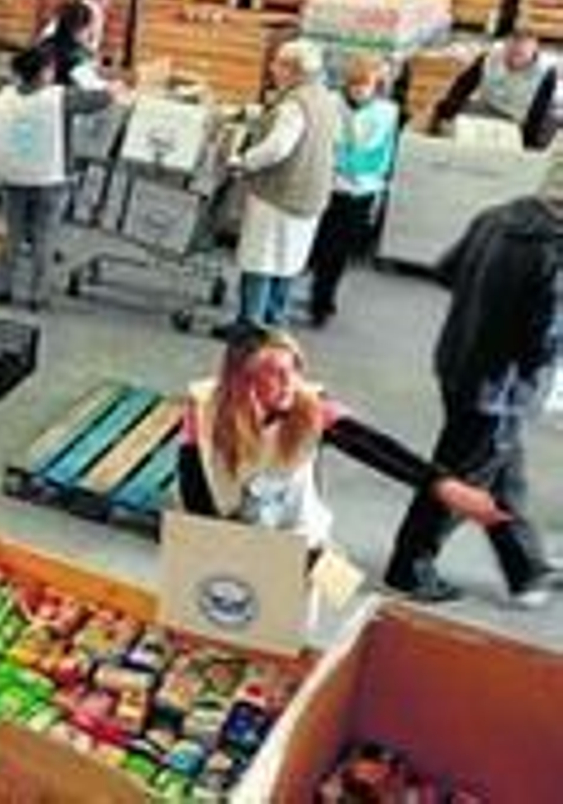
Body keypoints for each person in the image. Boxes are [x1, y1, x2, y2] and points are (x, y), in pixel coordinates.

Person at [383, 151, 563, 608]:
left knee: (501, 470)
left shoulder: (497, 215)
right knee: (459, 480)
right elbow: (543, 340)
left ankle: (527, 568)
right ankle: (409, 564)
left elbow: (447, 271)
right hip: (501, 389)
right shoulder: (555, 250)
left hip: (460, 361)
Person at [177, 326, 504, 553]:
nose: (291, 382)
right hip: (230, 534)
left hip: (299, 538)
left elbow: (372, 445)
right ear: (244, 382)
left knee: (311, 611)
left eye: (295, 369)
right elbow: (195, 483)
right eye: (275, 373)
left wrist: (444, 486)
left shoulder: (310, 405)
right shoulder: (204, 408)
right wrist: (221, 546)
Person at [0, 30, 126, 310]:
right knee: (44, 235)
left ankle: (3, 288)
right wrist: (115, 88)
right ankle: (37, 296)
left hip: (12, 175)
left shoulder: (4, 95)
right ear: (44, 73)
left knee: (12, 233)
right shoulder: (58, 97)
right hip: (49, 177)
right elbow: (99, 100)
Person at [222, 40, 340, 332]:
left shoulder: (294, 104)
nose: (272, 69)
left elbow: (277, 148)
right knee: (288, 261)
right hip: (311, 193)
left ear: (293, 69)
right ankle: (274, 321)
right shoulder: (324, 98)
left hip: (279, 193)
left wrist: (242, 161)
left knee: (260, 259)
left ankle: (250, 325)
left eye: (277, 63)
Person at [307, 56, 400, 328]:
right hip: (329, 185)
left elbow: (380, 157)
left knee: (339, 251)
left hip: (361, 190)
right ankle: (320, 296)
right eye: (354, 84)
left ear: (376, 86)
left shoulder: (387, 112)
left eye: (365, 85)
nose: (359, 90)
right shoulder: (331, 103)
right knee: (323, 246)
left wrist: (345, 161)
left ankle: (323, 297)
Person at [432, 29, 558, 150]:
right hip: (490, 106)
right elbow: (463, 85)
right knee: (456, 126)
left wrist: (524, 143)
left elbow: (538, 113)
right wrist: (447, 113)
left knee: (544, 137)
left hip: (521, 116)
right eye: (509, 54)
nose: (513, 60)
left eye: (519, 55)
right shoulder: (490, 57)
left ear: (534, 53)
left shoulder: (546, 73)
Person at [31, 0, 107, 93]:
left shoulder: (46, 42)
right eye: (89, 28)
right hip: (60, 100)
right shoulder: (78, 56)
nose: (91, 32)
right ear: (81, 29)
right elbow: (93, 86)